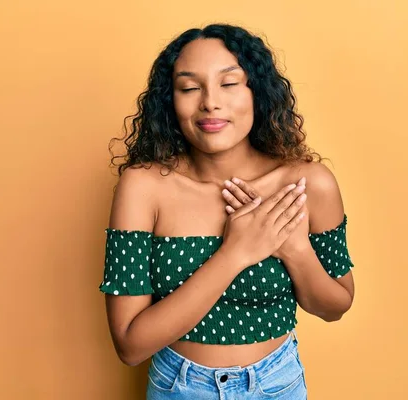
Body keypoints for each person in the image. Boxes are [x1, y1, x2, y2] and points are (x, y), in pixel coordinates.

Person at [99, 23, 355, 400]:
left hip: (278, 385)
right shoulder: (143, 188)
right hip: (179, 387)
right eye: (189, 88)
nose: (210, 102)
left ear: (258, 93)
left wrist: (294, 250)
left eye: (229, 83)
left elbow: (336, 306)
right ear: (170, 101)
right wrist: (237, 252)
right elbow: (130, 346)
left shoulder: (308, 183)